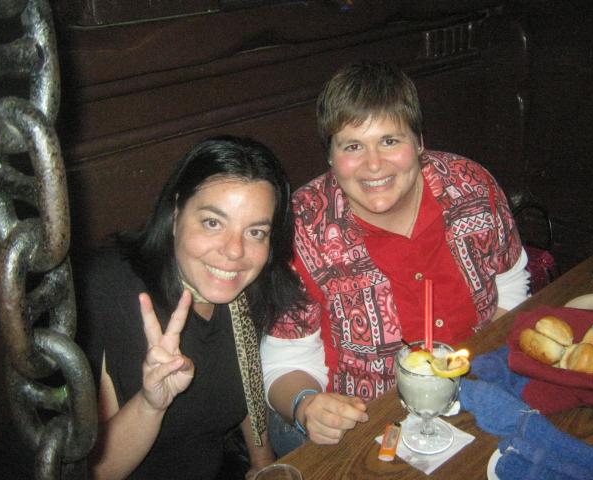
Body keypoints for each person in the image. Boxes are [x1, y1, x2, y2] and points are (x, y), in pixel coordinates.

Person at [260, 61, 531, 456]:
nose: (374, 165)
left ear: (419, 142)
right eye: (353, 146)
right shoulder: (303, 227)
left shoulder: (471, 186)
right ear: (330, 156)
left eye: (390, 140)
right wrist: (306, 405)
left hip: (481, 393)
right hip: (366, 424)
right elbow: (286, 358)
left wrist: (489, 365)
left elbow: (511, 281)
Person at [75, 135, 303, 479]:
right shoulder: (108, 289)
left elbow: (247, 387)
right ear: (176, 212)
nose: (234, 251)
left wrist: (263, 465)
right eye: (213, 223)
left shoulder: (245, 291)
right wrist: (150, 404)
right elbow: (93, 471)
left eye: (255, 232)